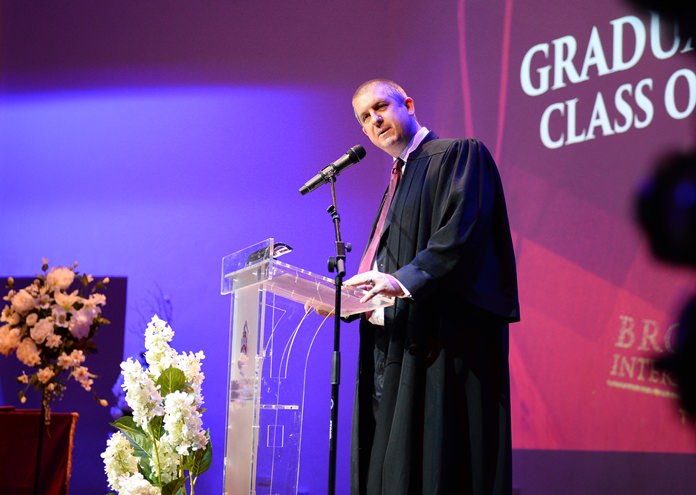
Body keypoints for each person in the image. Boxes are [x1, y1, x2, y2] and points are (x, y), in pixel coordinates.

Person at [342, 79, 520, 495]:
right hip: (395, 347)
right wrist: (347, 301)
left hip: (442, 349)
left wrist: (400, 281)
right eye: (365, 118)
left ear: (408, 104)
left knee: (435, 468)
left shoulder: (459, 156)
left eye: (380, 107)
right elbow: (383, 264)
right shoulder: (397, 182)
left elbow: (460, 237)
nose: (374, 121)